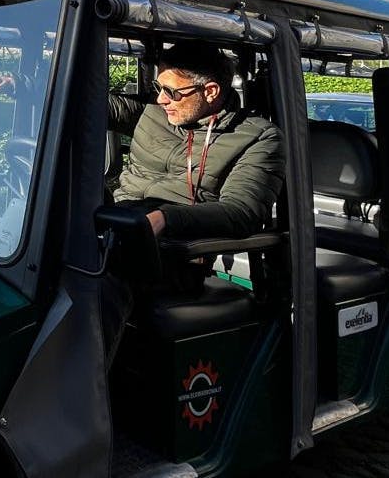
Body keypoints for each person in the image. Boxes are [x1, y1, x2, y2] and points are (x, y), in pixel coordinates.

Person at [101, 42, 285, 365]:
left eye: (171, 92)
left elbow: (242, 212)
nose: (160, 99)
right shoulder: (157, 114)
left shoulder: (257, 138)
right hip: (117, 223)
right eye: (158, 88)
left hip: (171, 253)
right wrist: (21, 87)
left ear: (210, 91)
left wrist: (165, 219)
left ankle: (83, 395)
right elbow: (99, 105)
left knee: (99, 278)